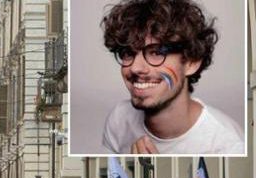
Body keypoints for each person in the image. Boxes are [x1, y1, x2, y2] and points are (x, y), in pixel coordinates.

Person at [100, 0, 244, 155]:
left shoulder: (227, 146)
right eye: (128, 53)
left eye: (156, 53)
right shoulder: (119, 119)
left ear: (191, 62)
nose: (135, 68)